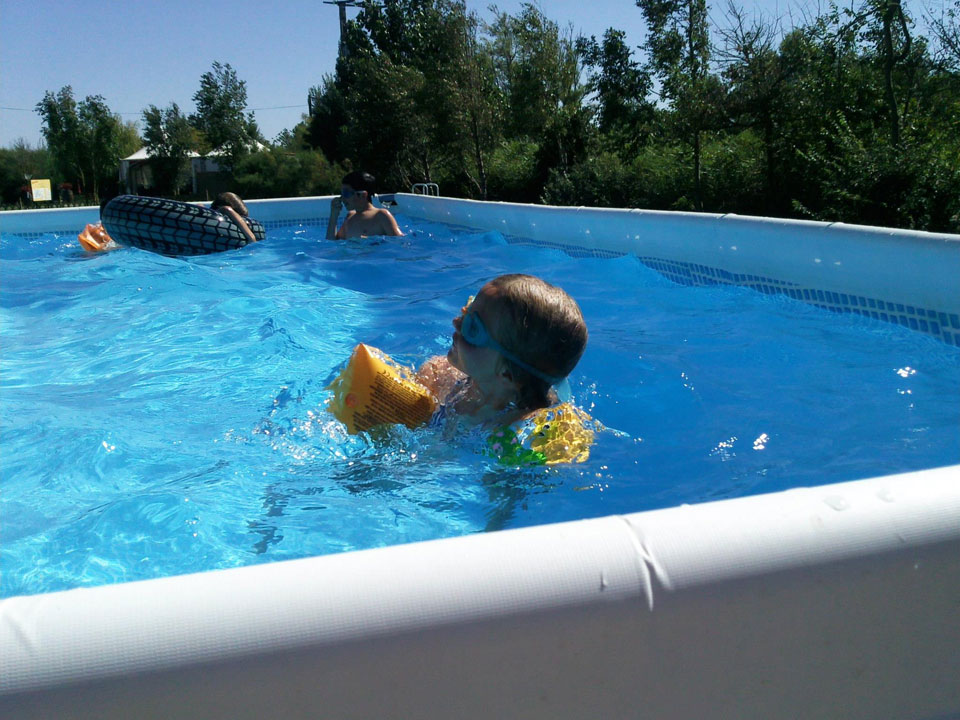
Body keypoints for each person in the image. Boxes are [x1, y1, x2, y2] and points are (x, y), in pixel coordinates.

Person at [416, 274, 588, 428]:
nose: (456, 322)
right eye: (466, 310)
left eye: (473, 327)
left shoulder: (521, 432)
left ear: (506, 374)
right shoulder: (439, 375)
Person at [326, 171, 403, 239]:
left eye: (346, 193)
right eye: (341, 193)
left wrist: (373, 242)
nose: (342, 198)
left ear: (363, 195)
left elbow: (400, 243)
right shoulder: (350, 217)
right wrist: (334, 215)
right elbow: (332, 243)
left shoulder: (381, 215)